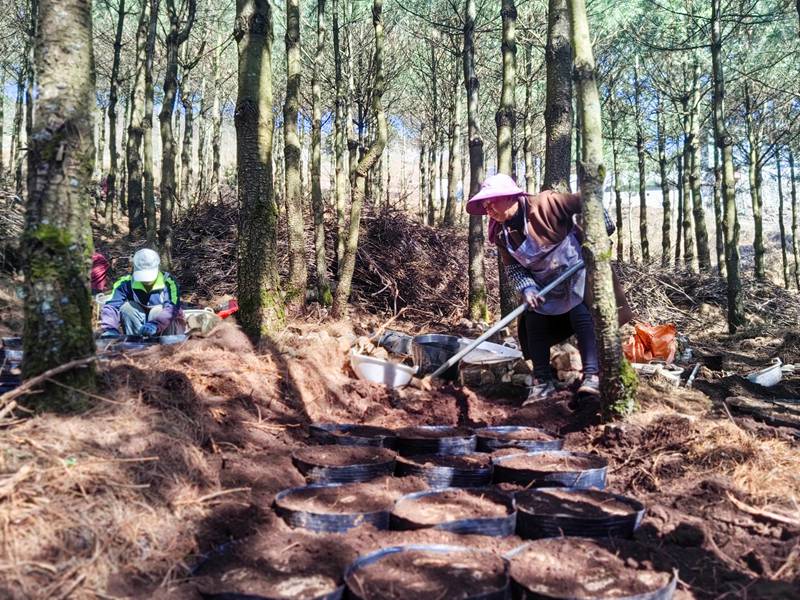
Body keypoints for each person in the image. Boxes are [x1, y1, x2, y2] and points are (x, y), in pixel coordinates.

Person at [466, 173, 632, 404]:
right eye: (485, 205)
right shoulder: (501, 234)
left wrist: (599, 230)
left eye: (492, 202)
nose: (488, 209)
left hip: (578, 270)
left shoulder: (547, 203)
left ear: (511, 197)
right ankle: (542, 382)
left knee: (581, 311)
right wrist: (527, 288)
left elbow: (588, 199)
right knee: (534, 318)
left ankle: (592, 377)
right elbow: (514, 268)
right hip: (546, 284)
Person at [99, 248, 183, 338]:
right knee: (127, 308)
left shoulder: (168, 281)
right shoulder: (125, 282)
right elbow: (111, 306)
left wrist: (155, 324)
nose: (146, 281)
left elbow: (172, 307)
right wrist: (109, 329)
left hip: (165, 327)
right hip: (138, 325)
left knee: (157, 311)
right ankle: (136, 344)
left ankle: (164, 348)